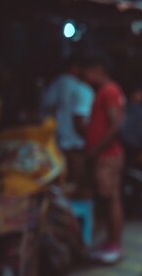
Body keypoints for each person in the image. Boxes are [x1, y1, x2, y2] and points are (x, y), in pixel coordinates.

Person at [81, 53, 126, 264]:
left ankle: (114, 244)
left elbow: (115, 124)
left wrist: (95, 150)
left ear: (97, 68)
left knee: (111, 199)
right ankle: (111, 242)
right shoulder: (106, 90)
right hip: (106, 154)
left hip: (107, 155)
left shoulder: (109, 90)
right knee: (109, 199)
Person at [40, 54, 94, 196]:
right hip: (78, 137)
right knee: (77, 180)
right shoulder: (81, 87)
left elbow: (46, 103)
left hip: (64, 136)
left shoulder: (63, 83)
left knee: (67, 179)